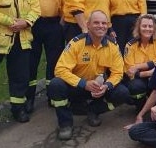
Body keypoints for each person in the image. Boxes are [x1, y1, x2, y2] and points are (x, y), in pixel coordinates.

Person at [49, 10, 130, 140]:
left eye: (104, 23)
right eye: (96, 22)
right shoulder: (76, 43)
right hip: (77, 86)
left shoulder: (112, 46)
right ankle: (65, 124)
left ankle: (94, 110)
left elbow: (118, 72)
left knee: (123, 93)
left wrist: (107, 86)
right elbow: (60, 70)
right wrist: (83, 84)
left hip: (98, 89)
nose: (101, 26)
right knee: (56, 84)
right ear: (88, 25)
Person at [25, 0, 65, 113]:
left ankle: (52, 96)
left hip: (54, 26)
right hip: (33, 25)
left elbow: (65, 5)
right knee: (31, 62)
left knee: (54, 62)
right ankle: (29, 99)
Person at [123, 14, 156, 112]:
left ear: (154, 28)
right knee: (135, 86)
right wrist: (147, 73)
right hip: (138, 78)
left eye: (150, 26)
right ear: (139, 28)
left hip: (155, 76)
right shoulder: (130, 45)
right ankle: (140, 107)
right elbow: (129, 70)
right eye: (144, 26)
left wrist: (138, 66)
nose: (147, 29)